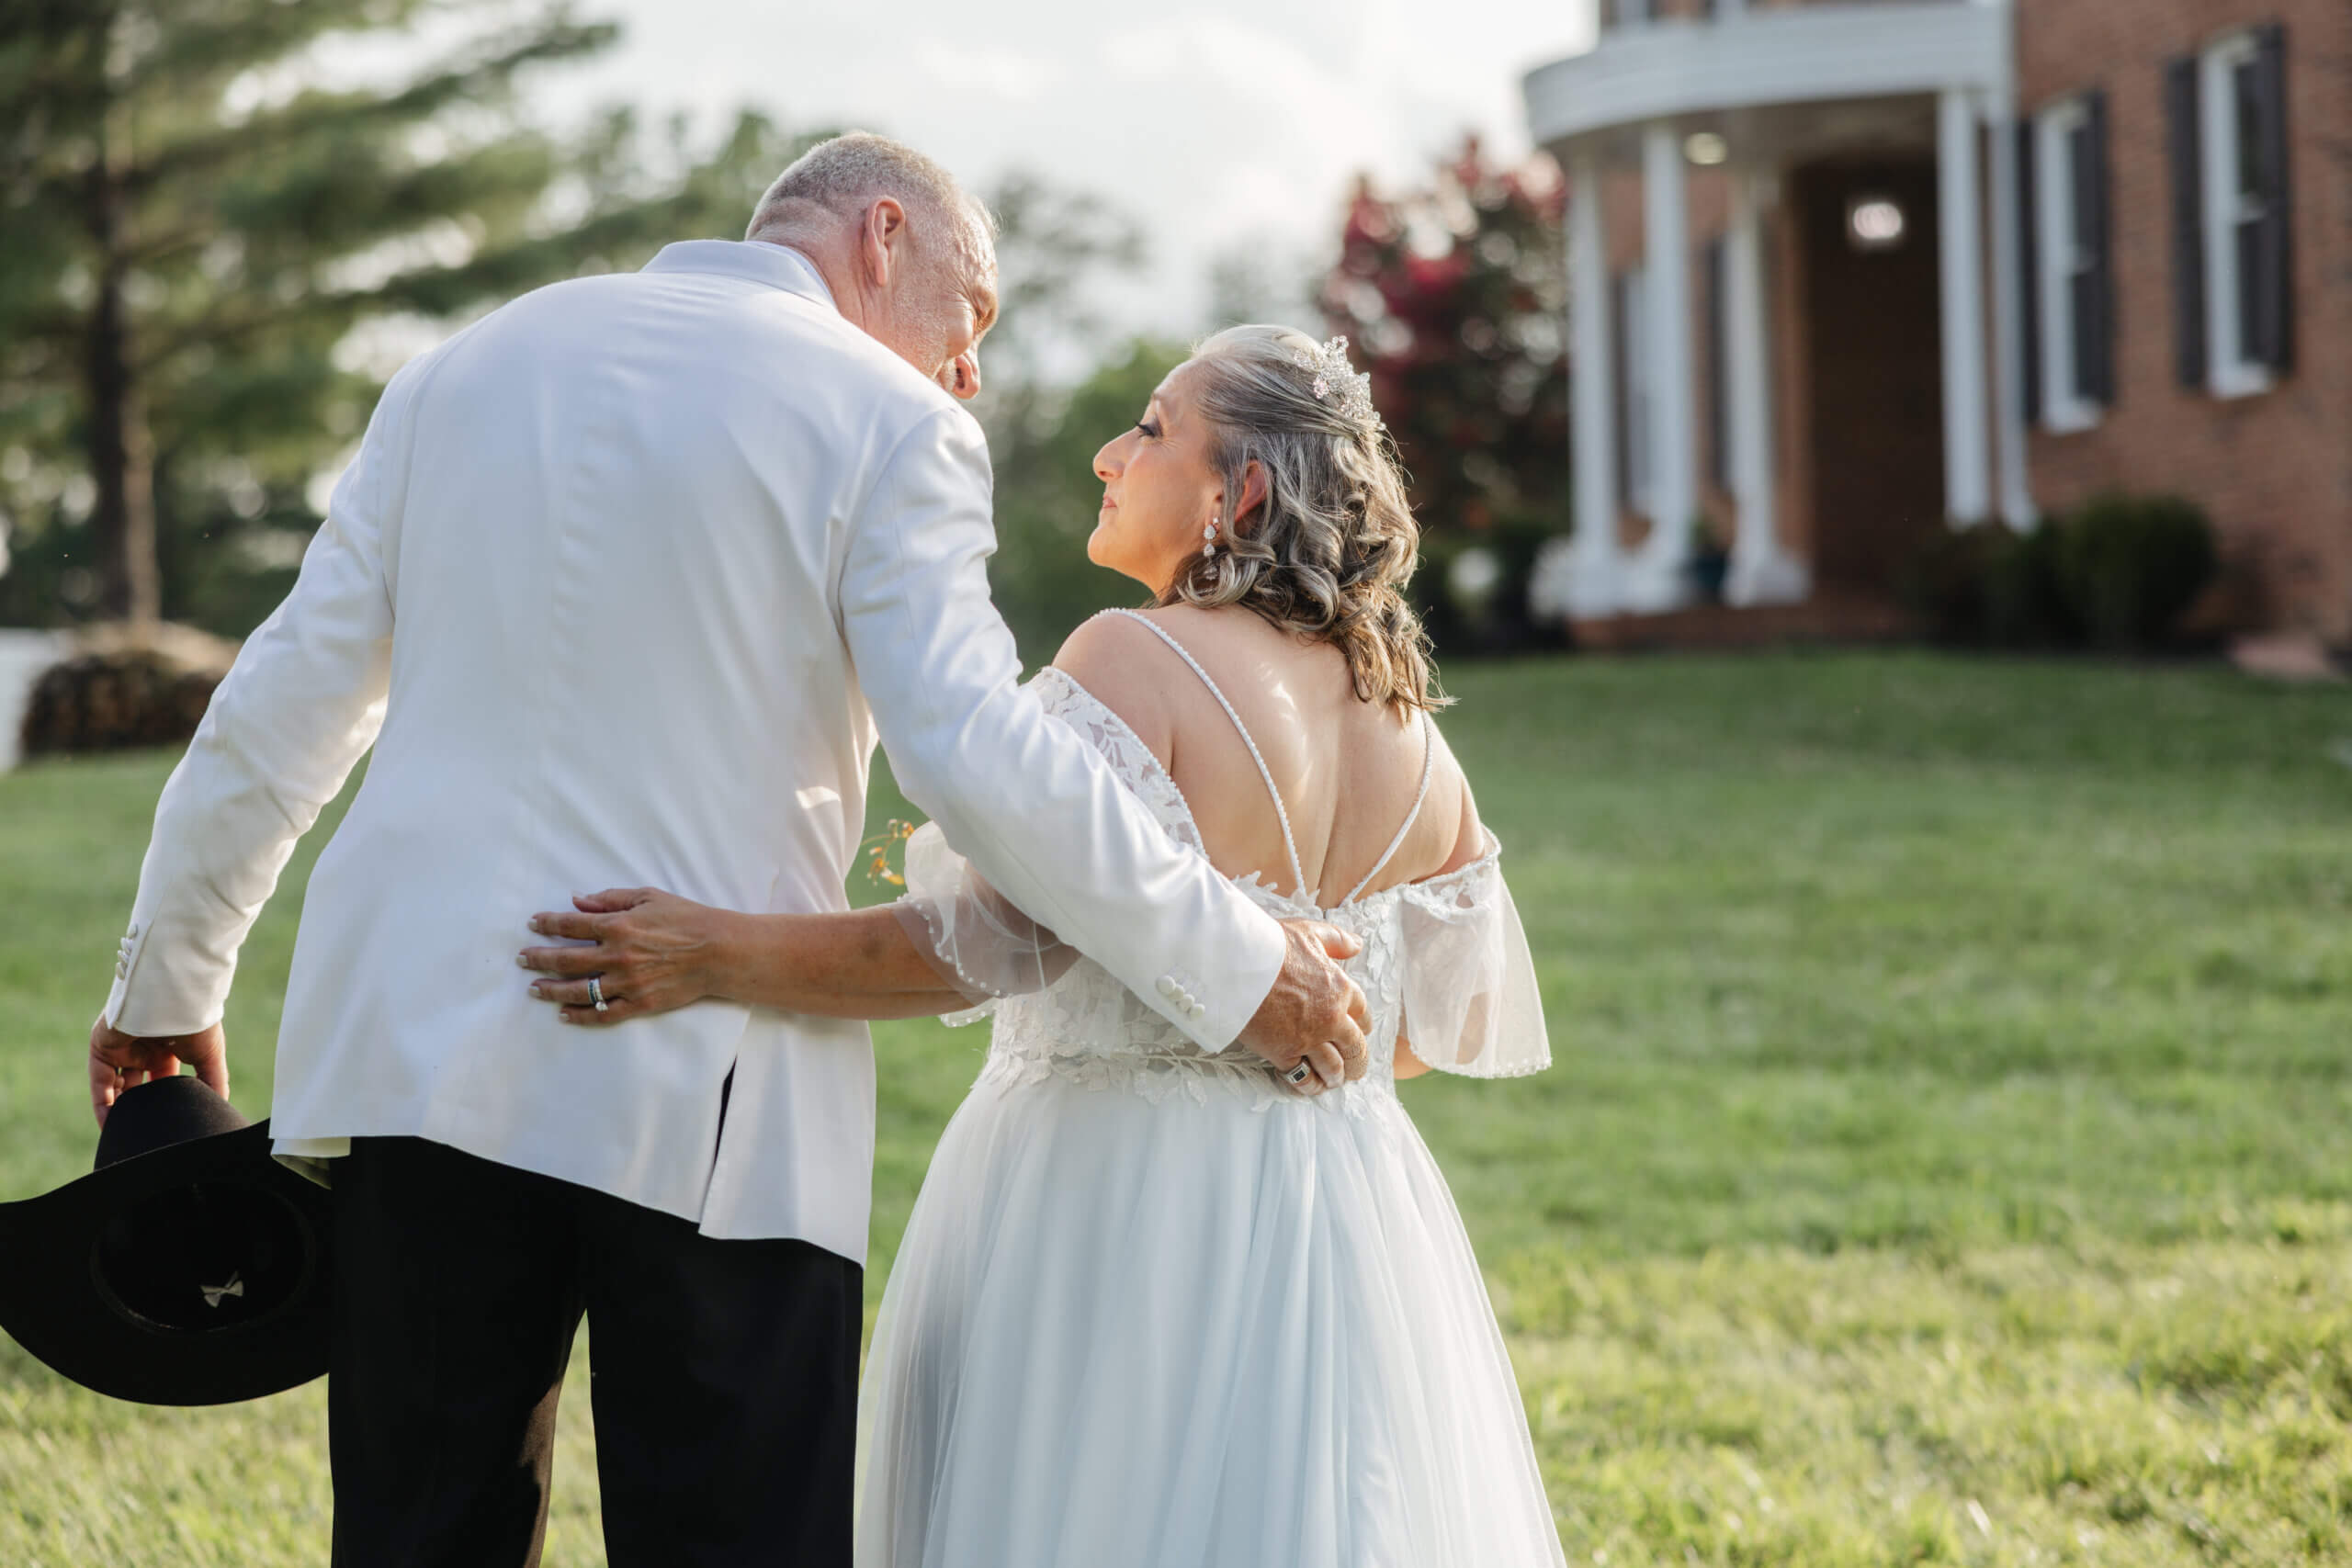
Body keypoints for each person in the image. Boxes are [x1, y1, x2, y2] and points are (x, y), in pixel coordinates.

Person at [83, 137, 1370, 1568]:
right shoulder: (888, 422)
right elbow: (978, 755)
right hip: (713, 1106)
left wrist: (165, 985)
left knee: (416, 1536)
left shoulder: (465, 367)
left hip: (423, 1064)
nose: (972, 373)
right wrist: (1235, 963)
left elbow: (284, 703)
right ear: (884, 237)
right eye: (975, 319)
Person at [516, 325, 1567, 1566]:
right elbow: (1446, 1030)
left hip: (1110, 1201)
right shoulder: (1410, 729)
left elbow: (985, 946)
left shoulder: (1132, 657)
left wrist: (711, 954)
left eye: (1154, 427)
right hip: (1339, 1215)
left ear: (1239, 494)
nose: (1110, 454)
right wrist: (1271, 1047)